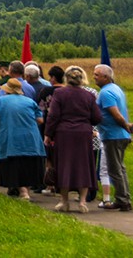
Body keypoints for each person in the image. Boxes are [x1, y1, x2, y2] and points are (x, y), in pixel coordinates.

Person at [44, 65, 102, 212]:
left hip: (64, 134)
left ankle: (64, 201)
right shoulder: (89, 96)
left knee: (64, 166)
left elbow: (53, 116)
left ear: (66, 79)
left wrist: (48, 134)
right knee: (84, 166)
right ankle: (82, 202)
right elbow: (96, 117)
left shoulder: (60, 94)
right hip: (83, 134)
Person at [0, 78, 46, 201]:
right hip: (31, 137)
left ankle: (23, 191)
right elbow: (40, 120)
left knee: (13, 163)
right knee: (28, 164)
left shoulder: (0, 101)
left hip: (11, 136)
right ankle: (24, 190)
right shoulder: (30, 101)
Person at [94, 64, 133, 211]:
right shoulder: (116, 89)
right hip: (119, 135)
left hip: (113, 135)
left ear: (106, 77)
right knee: (120, 168)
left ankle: (122, 200)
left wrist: (126, 126)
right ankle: (124, 197)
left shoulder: (105, 93)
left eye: (97, 75)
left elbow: (116, 114)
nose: (94, 77)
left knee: (114, 170)